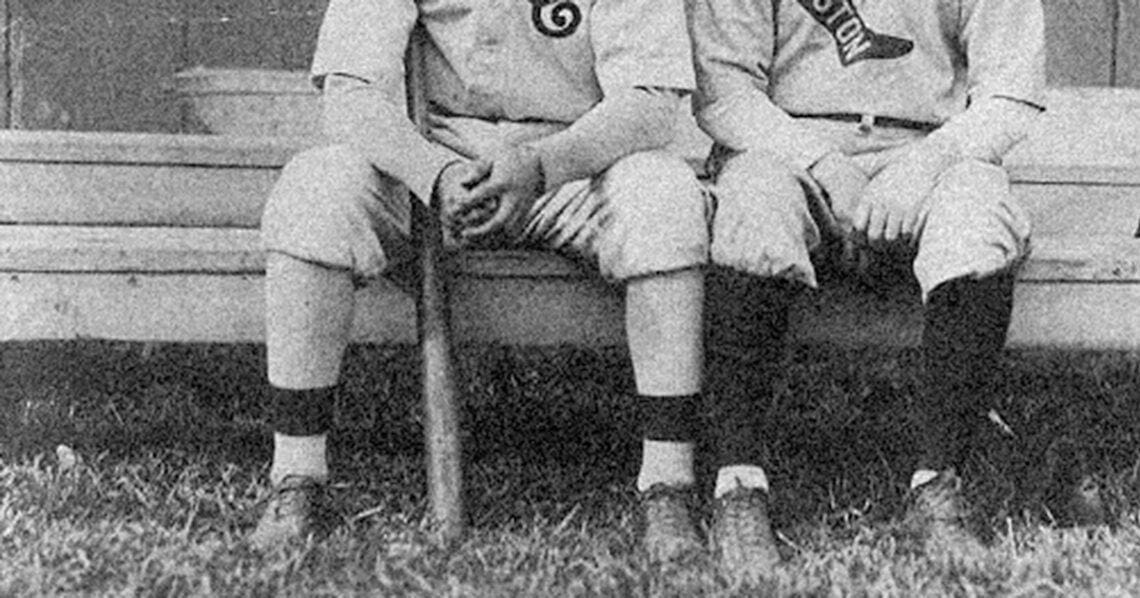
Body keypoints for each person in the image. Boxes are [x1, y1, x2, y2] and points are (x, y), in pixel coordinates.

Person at [251, 0, 715, 564]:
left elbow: (651, 104)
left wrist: (542, 164)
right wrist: (431, 171)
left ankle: (668, 483)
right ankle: (296, 473)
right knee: (315, 186)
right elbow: (349, 94)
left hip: (574, 161)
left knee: (664, 195)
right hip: (433, 160)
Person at [686, 0, 1047, 578]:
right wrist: (823, 162)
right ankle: (738, 484)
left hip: (932, 146)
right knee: (754, 209)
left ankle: (937, 483)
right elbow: (725, 89)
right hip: (787, 143)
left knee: (980, 216)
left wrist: (924, 164)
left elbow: (1010, 94)